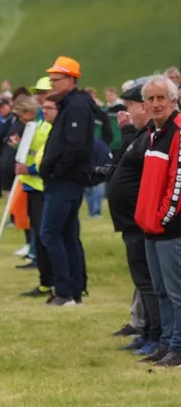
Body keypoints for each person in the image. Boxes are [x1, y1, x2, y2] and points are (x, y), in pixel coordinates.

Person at [106, 81, 163, 359]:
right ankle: (148, 333)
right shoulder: (142, 135)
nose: (127, 113)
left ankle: (156, 336)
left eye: (129, 107)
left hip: (140, 222)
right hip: (131, 222)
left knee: (150, 283)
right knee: (144, 282)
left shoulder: (151, 136)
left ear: (144, 107)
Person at [38, 56, 95, 307]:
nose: (52, 84)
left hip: (65, 181)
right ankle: (74, 289)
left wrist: (57, 171)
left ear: (70, 80)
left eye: (56, 80)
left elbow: (76, 147)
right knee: (67, 235)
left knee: (50, 233)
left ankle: (65, 290)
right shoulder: (70, 104)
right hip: (64, 180)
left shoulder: (76, 107)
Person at [134, 75, 181, 366]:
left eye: (160, 98)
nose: (155, 104)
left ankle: (178, 345)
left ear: (173, 100)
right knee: (160, 290)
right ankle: (165, 343)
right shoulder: (154, 132)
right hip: (151, 226)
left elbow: (178, 182)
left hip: (170, 227)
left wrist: (163, 217)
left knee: (176, 292)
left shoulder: (177, 131)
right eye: (150, 99)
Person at [13, 96, 54, 297]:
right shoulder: (31, 129)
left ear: (29, 112)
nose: (20, 120)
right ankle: (45, 280)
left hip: (41, 187)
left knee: (44, 235)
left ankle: (49, 281)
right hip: (30, 186)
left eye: (21, 115)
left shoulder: (43, 129)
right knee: (37, 234)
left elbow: (45, 159)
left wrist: (28, 169)